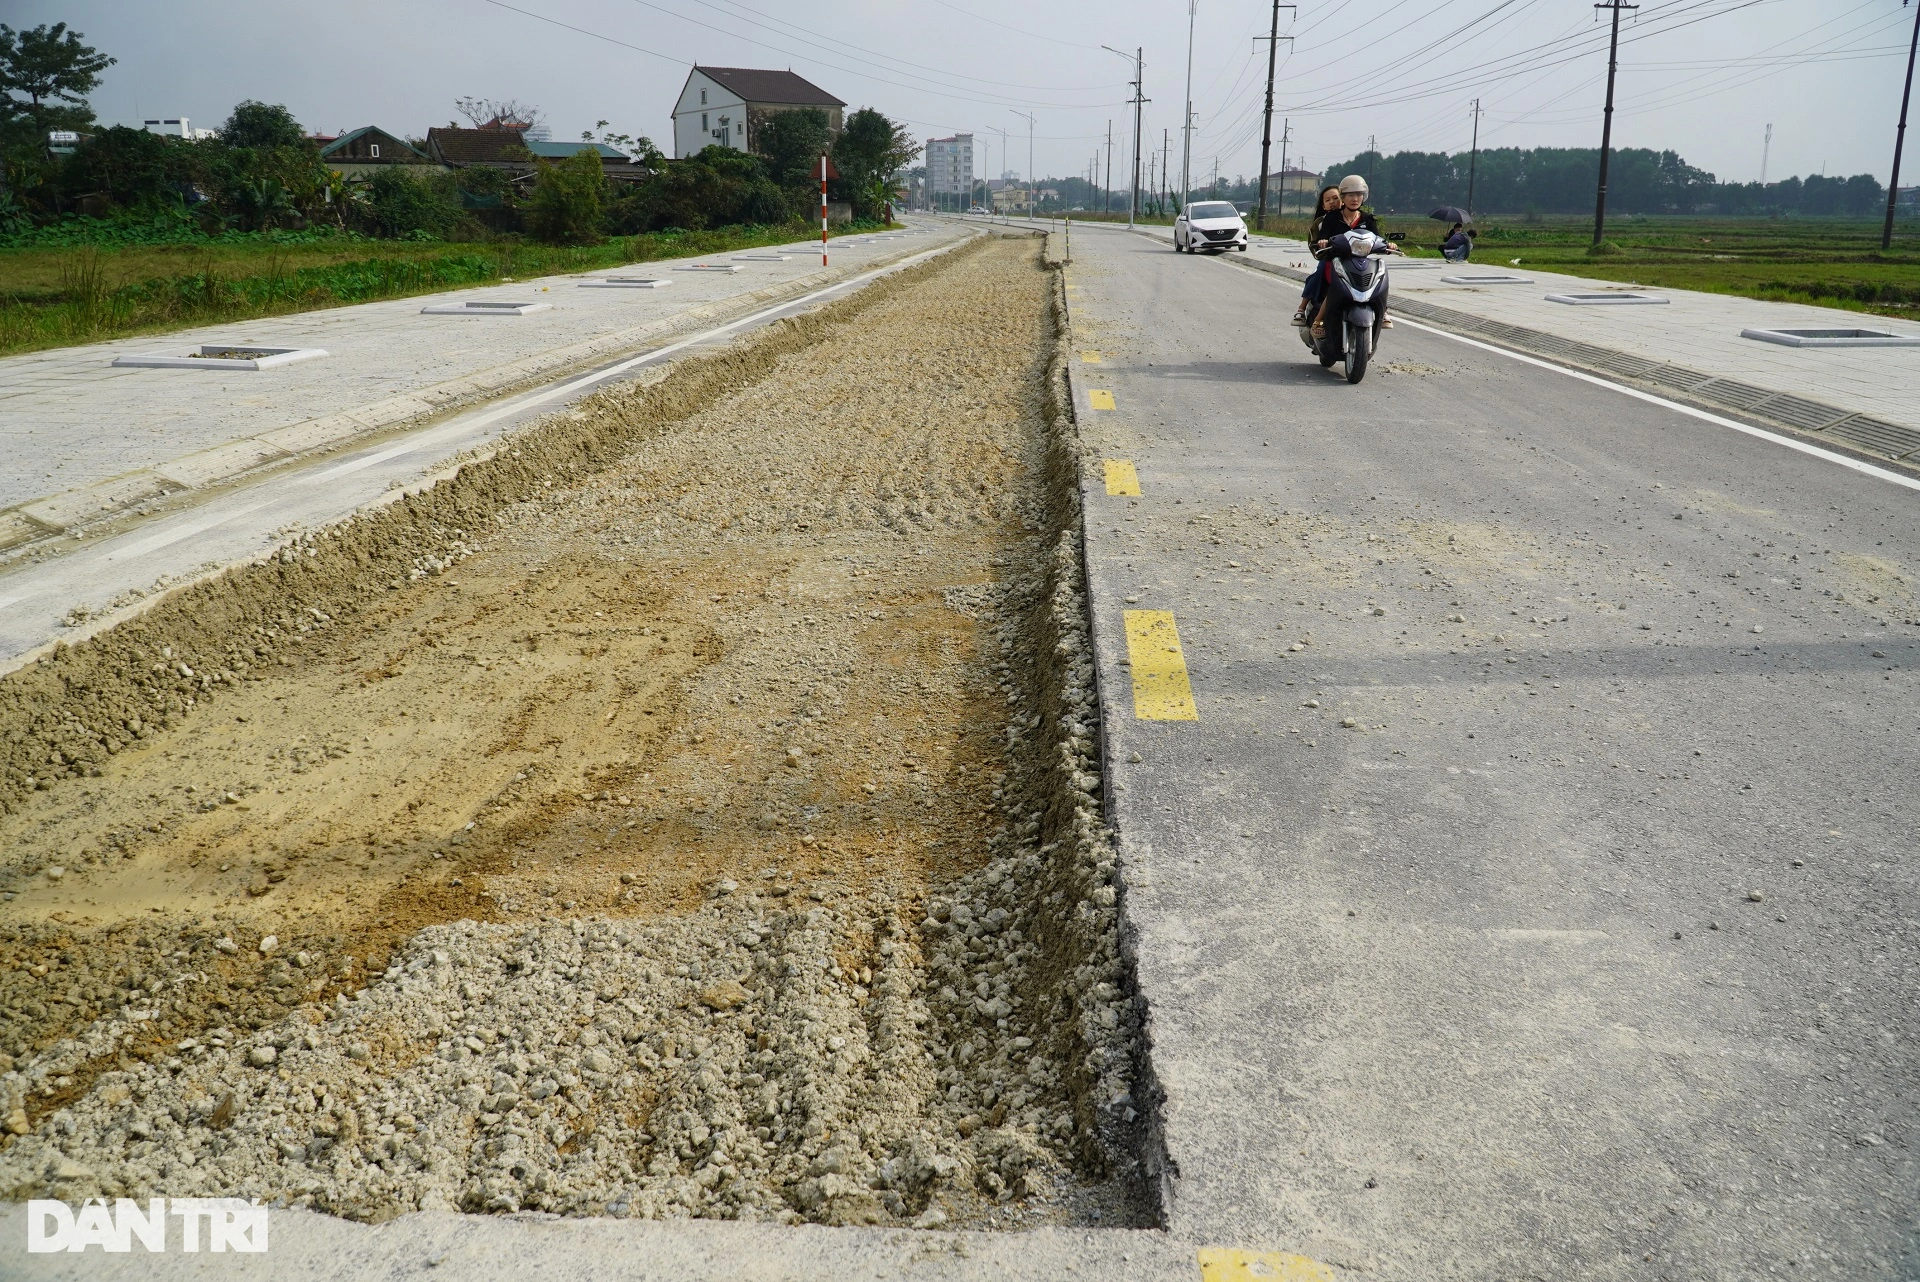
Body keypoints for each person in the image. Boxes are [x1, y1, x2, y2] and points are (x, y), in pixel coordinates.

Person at [1310, 174, 1395, 340]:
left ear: (1364, 197)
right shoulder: (1332, 217)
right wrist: (1322, 241)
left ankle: (1383, 310)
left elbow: (1378, 238)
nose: (1355, 199)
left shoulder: (1368, 219)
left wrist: (1388, 245)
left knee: (1380, 275)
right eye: (1350, 195)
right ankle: (1318, 321)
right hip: (1337, 261)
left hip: (1362, 261)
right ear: (1343, 197)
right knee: (1336, 286)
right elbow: (1324, 235)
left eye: (1359, 195)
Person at [1292, 185, 1344, 325]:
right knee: (1319, 272)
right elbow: (1314, 242)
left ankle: (1383, 311)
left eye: (1335, 198)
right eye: (1328, 200)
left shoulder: (1354, 217)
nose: (1332, 202)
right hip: (1329, 259)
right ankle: (1301, 308)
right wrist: (1321, 244)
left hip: (1352, 260)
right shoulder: (1322, 221)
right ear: (1323, 205)